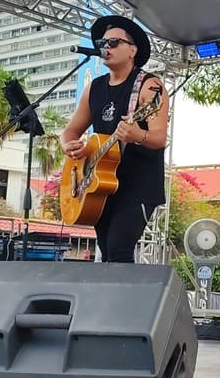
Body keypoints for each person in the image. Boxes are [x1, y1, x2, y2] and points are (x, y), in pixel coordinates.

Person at [60, 15, 169, 262]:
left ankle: (126, 301)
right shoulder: (95, 87)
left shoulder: (150, 85)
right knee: (107, 250)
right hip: (99, 185)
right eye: (102, 43)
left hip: (137, 185)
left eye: (114, 42)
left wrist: (137, 134)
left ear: (132, 50)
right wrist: (69, 146)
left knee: (119, 249)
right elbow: (69, 131)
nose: (105, 48)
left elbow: (159, 138)